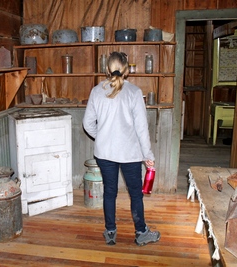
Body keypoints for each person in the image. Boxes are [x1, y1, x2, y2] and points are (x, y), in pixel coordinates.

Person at [82, 51, 160, 246]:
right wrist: (147, 155)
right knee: (135, 194)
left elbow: (87, 123)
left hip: (104, 153)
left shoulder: (96, 91)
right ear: (126, 70)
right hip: (130, 154)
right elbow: (142, 128)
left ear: (107, 69)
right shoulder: (134, 92)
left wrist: (101, 137)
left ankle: (110, 231)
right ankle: (141, 232)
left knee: (110, 192)